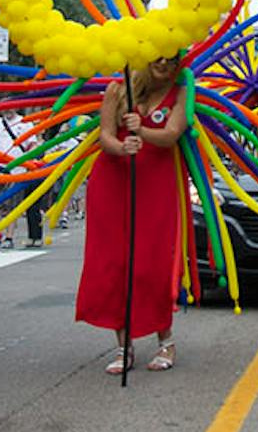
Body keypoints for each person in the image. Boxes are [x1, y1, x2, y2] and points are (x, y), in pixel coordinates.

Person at [76, 55, 191, 374]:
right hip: (114, 183)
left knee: (151, 264)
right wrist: (120, 147)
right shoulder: (117, 89)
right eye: (158, 57)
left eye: (172, 58)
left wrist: (144, 131)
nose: (164, 64)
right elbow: (106, 136)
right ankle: (123, 346)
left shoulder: (181, 93)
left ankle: (165, 341)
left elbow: (171, 134)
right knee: (114, 264)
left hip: (156, 185)